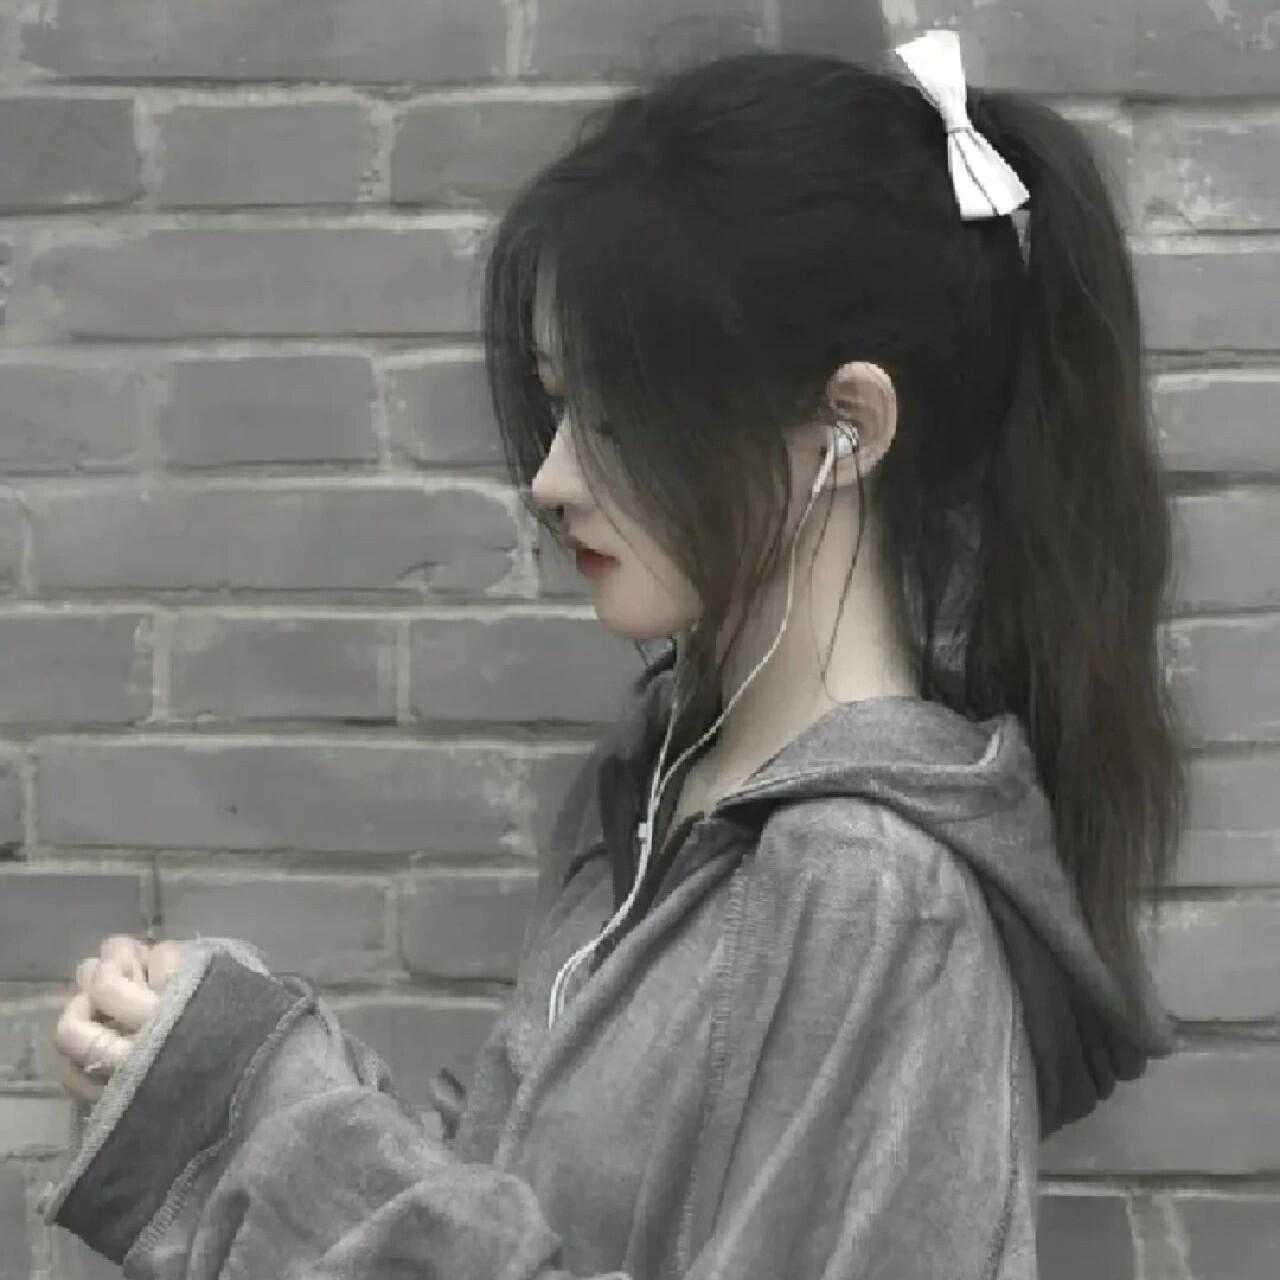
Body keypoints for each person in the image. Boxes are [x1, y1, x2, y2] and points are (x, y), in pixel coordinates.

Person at [43, 28, 1186, 1279]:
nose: (551, 475)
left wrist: (259, 1111)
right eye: (557, 401)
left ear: (846, 426)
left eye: (622, 412)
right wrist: (213, 1058)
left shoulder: (868, 892)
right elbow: (502, 1200)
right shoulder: (664, 785)